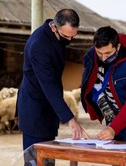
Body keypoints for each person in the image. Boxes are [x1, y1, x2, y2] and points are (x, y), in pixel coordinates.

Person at [16, 9, 89, 165]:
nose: (69, 39)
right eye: (66, 36)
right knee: (35, 161)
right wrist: (70, 119)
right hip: (34, 109)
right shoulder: (38, 45)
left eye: (73, 36)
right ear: (54, 27)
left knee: (48, 160)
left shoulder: (58, 35)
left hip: (48, 109)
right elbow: (48, 85)